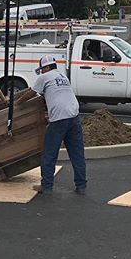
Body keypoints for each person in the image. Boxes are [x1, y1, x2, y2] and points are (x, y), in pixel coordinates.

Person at [32, 55, 86, 195]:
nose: (42, 72)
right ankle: (81, 185)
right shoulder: (62, 76)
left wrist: (15, 103)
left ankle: (47, 186)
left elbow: (31, 94)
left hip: (59, 119)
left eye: (43, 69)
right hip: (74, 116)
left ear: (47, 67)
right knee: (77, 153)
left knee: (49, 153)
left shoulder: (45, 77)